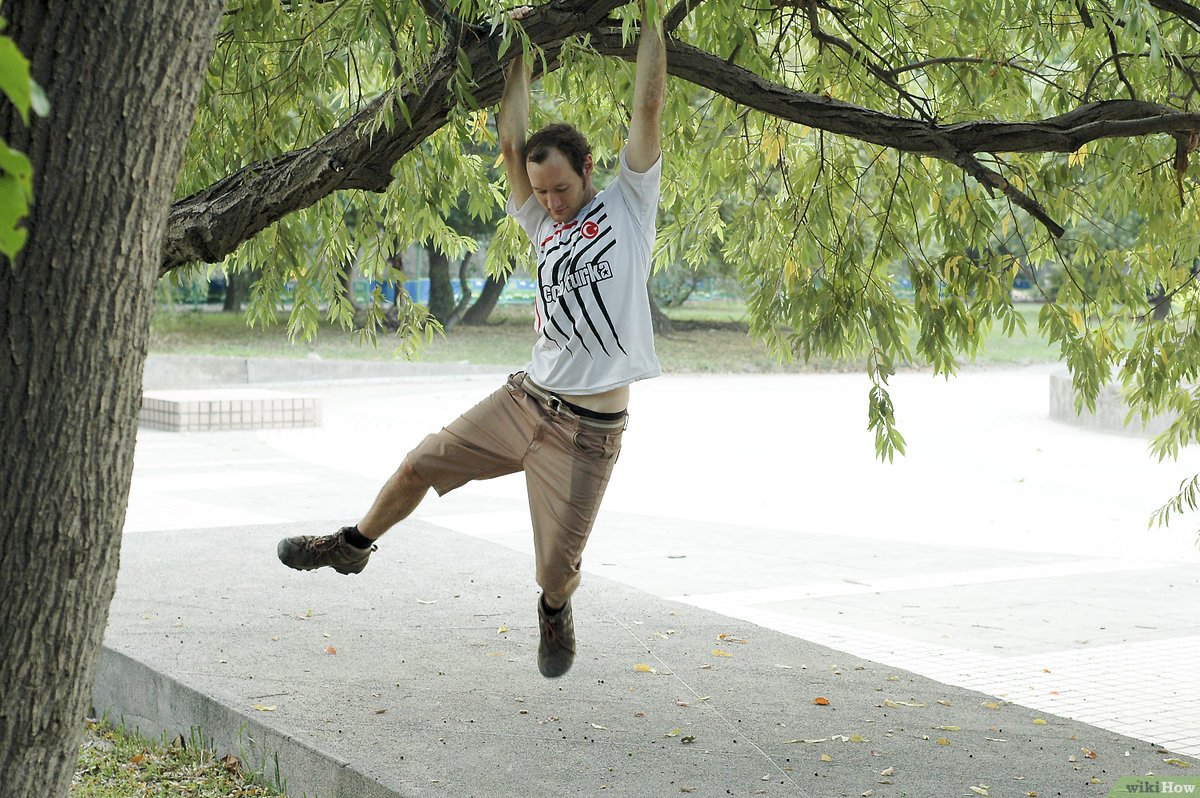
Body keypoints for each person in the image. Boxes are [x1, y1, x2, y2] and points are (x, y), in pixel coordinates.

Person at [276, 2, 666, 679]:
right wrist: (519, 49)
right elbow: (510, 143)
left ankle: (553, 608)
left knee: (555, 569)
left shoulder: (628, 205)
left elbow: (648, 110)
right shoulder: (542, 226)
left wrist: (652, 16)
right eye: (540, 192)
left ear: (588, 168)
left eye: (562, 188)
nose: (550, 202)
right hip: (526, 400)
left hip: (588, 432)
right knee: (418, 463)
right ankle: (352, 545)